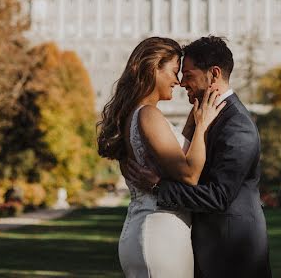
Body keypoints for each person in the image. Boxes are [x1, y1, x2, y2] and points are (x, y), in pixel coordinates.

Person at [124, 36, 272, 278]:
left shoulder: (237, 126)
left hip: (232, 256)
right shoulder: (204, 116)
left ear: (213, 74)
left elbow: (218, 196)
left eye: (189, 75)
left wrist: (158, 186)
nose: (182, 83)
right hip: (204, 251)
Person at [97, 36, 227, 278]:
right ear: (154, 68)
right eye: (174, 71)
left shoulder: (135, 114)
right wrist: (202, 126)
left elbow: (173, 151)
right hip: (160, 233)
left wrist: (194, 116)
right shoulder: (148, 114)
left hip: (146, 229)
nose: (178, 81)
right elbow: (189, 175)